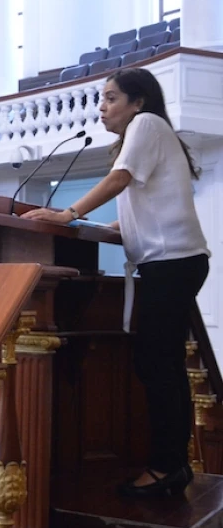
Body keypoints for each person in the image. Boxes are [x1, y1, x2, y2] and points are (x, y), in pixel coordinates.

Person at [23, 68, 210, 497]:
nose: (101, 108)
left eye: (110, 98)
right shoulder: (149, 132)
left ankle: (167, 468)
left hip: (172, 263)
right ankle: (174, 464)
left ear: (137, 101)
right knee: (162, 364)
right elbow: (141, 210)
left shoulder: (146, 124)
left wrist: (67, 215)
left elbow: (119, 180)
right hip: (174, 262)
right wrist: (101, 228)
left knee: (156, 364)